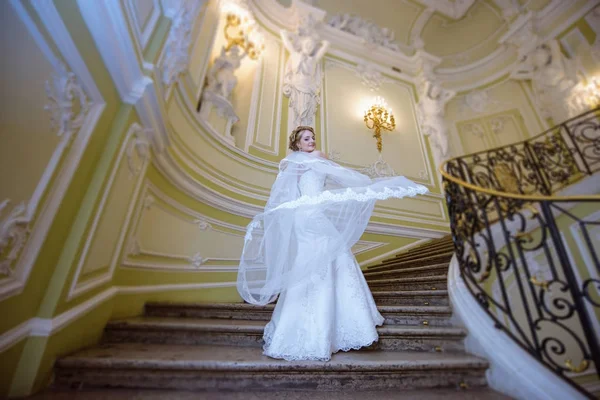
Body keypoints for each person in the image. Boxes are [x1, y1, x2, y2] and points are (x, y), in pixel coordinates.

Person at [237, 126, 429, 361]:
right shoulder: (317, 156)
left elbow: (291, 193)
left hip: (302, 216)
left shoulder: (289, 162)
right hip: (311, 215)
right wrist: (365, 183)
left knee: (313, 259)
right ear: (297, 144)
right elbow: (341, 177)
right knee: (334, 254)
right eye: (306, 139)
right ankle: (344, 322)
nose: (312, 141)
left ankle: (297, 327)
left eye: (313, 138)